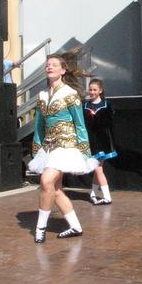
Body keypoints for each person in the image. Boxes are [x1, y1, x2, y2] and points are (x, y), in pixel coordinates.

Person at [29, 54, 97, 243]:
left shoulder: (70, 93)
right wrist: (37, 148)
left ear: (63, 70)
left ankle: (40, 228)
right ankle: (75, 226)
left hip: (66, 145)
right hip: (49, 146)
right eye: (48, 65)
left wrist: (84, 151)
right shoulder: (42, 95)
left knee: (46, 180)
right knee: (55, 189)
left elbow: (80, 124)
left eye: (54, 65)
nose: (49, 67)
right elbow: (39, 125)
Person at [84, 78, 116, 205]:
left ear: (100, 90)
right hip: (90, 141)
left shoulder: (106, 105)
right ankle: (93, 192)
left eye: (94, 90)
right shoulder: (85, 105)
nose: (92, 92)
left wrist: (97, 118)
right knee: (97, 168)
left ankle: (107, 197)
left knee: (98, 168)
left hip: (101, 142)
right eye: (90, 89)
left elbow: (109, 123)